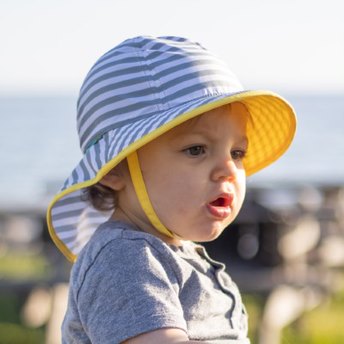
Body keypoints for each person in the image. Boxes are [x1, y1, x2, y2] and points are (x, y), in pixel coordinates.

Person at [47, 35, 296, 343]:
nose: (228, 170)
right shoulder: (124, 259)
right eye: (196, 150)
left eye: (237, 153)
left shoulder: (174, 253)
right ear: (115, 169)